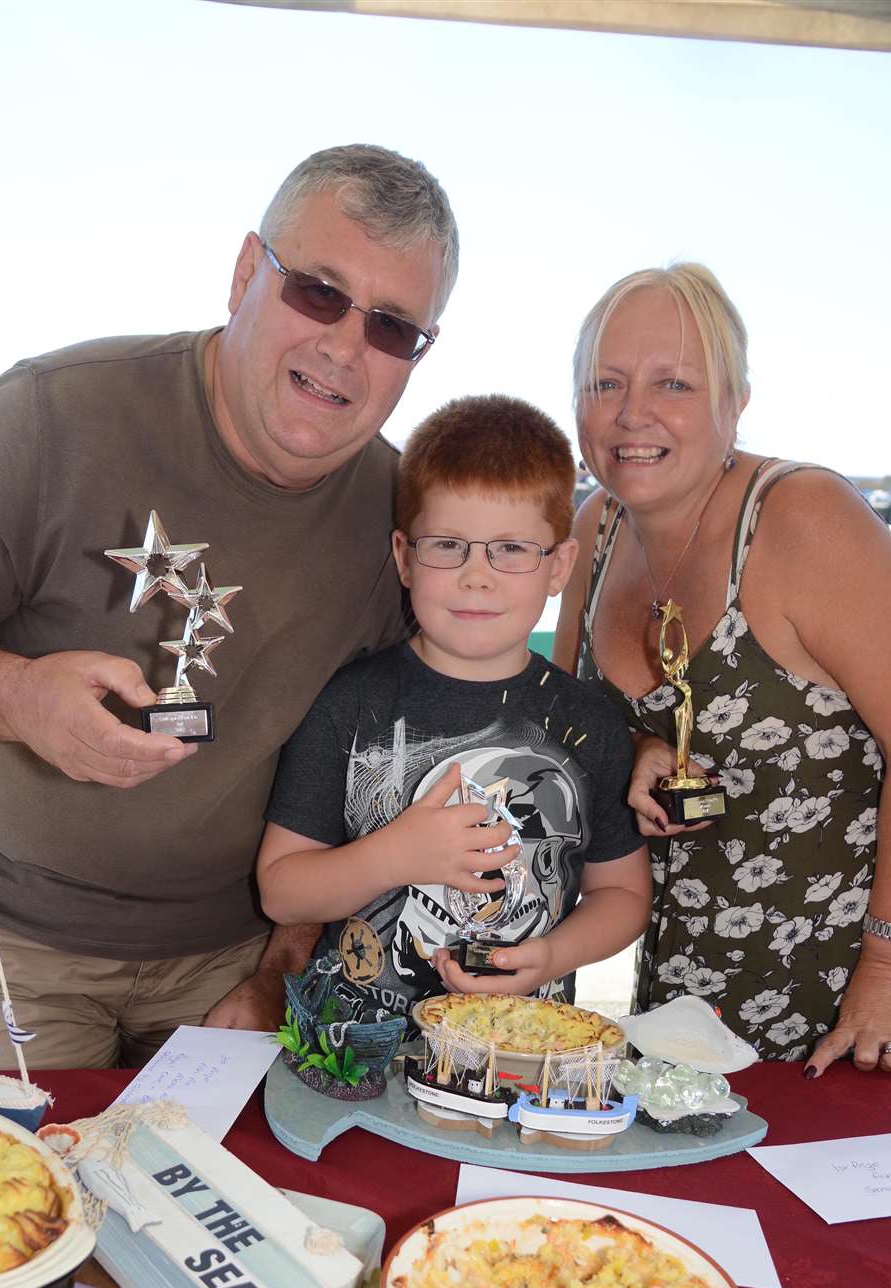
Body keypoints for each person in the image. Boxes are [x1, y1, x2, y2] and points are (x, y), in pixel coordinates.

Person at [0, 145, 458, 1068]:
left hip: (235, 964)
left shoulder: (399, 523)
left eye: (395, 328)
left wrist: (281, 965)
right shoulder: (56, 416)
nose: (345, 346)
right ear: (246, 274)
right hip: (4, 940)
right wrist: (20, 701)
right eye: (318, 292)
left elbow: (373, 789)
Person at [553, 263, 891, 1075]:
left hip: (850, 1019)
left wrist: (889, 967)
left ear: (734, 401)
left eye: (672, 382)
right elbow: (563, 718)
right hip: (676, 1022)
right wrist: (635, 749)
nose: (632, 413)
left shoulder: (804, 517)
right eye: (605, 383)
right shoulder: (595, 528)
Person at [257, 395, 651, 1016]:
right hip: (350, 1056)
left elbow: (624, 895)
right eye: (447, 545)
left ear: (559, 567)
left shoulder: (589, 722)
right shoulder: (348, 703)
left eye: (512, 549)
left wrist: (552, 956)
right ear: (403, 557)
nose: (477, 576)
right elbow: (282, 891)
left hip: (520, 1055)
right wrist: (396, 855)